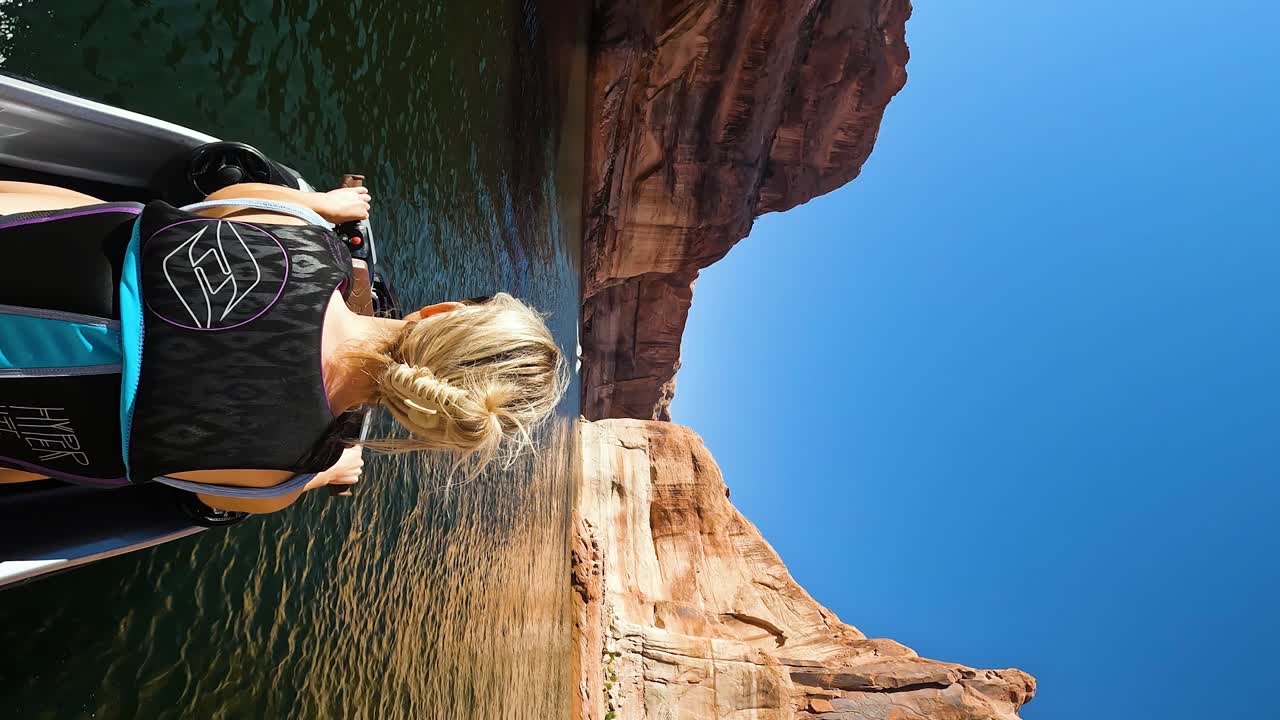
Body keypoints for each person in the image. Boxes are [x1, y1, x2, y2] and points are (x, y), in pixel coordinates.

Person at [0, 180, 566, 514]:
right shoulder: (285, 474)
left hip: (35, 262)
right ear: (438, 419)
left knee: (126, 222)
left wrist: (321, 202)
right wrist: (325, 473)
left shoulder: (304, 237)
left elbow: (219, 199)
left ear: (441, 313)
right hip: (36, 419)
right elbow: (207, 491)